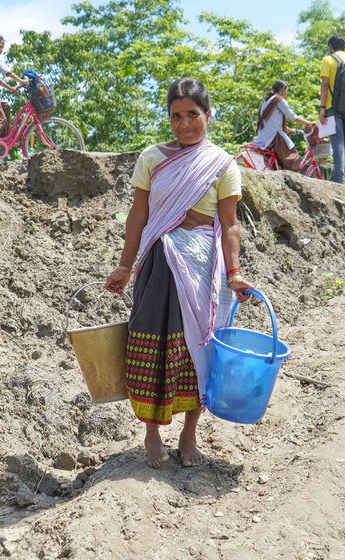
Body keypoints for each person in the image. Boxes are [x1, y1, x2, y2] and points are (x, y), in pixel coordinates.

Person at [104, 78, 255, 469]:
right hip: (158, 261)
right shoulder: (152, 158)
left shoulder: (222, 164)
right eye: (176, 116)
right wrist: (125, 265)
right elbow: (139, 215)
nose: (184, 123)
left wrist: (235, 273)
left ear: (208, 114)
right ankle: (151, 432)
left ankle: (189, 434)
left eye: (193, 114)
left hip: (203, 264)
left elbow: (230, 224)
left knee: (198, 348)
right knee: (149, 341)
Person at [319, 33, 345, 187]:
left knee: (337, 143)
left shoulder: (328, 60)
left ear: (331, 47)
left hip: (333, 107)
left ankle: (338, 179)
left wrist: (322, 107)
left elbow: (325, 84)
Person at [252, 80, 313, 171]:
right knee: (293, 159)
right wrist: (310, 123)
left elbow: (272, 122)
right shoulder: (279, 99)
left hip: (262, 137)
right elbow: (294, 117)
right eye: (286, 90)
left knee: (282, 161)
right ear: (283, 89)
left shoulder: (266, 101)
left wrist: (291, 130)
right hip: (273, 137)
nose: (286, 93)